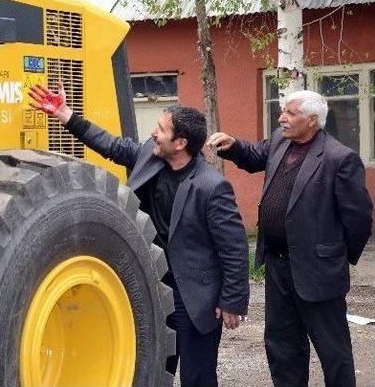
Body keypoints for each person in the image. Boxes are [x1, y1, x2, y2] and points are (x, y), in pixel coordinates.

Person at [29, 83, 249, 386]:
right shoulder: (151, 154)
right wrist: (66, 114)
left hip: (193, 295)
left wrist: (233, 300)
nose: (153, 134)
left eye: (161, 129)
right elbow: (112, 145)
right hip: (152, 284)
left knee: (198, 376)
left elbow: (234, 248)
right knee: (155, 365)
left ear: (181, 142)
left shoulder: (212, 186)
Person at [207, 90, 373, 387]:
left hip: (318, 271)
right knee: (283, 348)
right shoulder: (281, 141)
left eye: (290, 113)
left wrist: (333, 256)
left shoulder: (339, 158)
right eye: (282, 110)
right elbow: (255, 154)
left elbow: (359, 219)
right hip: (278, 266)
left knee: (333, 352)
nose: (281, 117)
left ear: (312, 120)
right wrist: (232, 147)